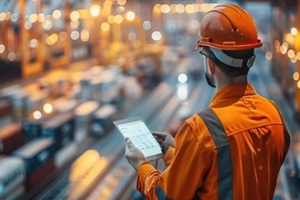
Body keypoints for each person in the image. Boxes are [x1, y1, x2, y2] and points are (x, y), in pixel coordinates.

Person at [124, 3, 291, 200]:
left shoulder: (201, 129)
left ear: (210, 64)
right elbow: (233, 171)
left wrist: (141, 165)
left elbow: (164, 195)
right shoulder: (274, 116)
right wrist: (174, 153)